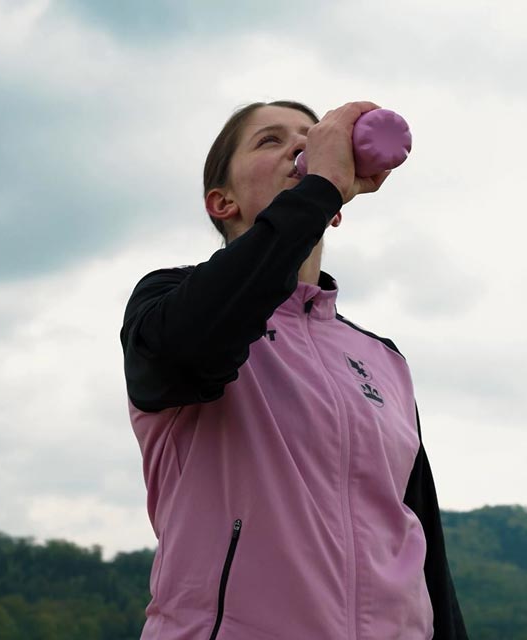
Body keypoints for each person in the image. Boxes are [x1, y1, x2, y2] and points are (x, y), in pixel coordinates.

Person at [120, 99, 468, 639]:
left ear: (334, 209)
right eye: (270, 140)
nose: (301, 147)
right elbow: (191, 350)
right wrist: (317, 188)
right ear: (222, 202)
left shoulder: (383, 358)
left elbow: (420, 541)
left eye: (312, 135)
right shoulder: (169, 301)